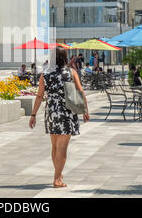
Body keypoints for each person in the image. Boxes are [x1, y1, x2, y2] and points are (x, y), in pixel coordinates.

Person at [29, 47, 90, 188]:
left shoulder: (45, 74)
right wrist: (85, 110)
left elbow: (39, 96)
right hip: (67, 112)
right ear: (65, 57)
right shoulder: (71, 72)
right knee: (62, 148)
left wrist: (33, 115)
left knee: (55, 146)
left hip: (51, 112)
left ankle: (58, 173)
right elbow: (80, 91)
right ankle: (57, 179)